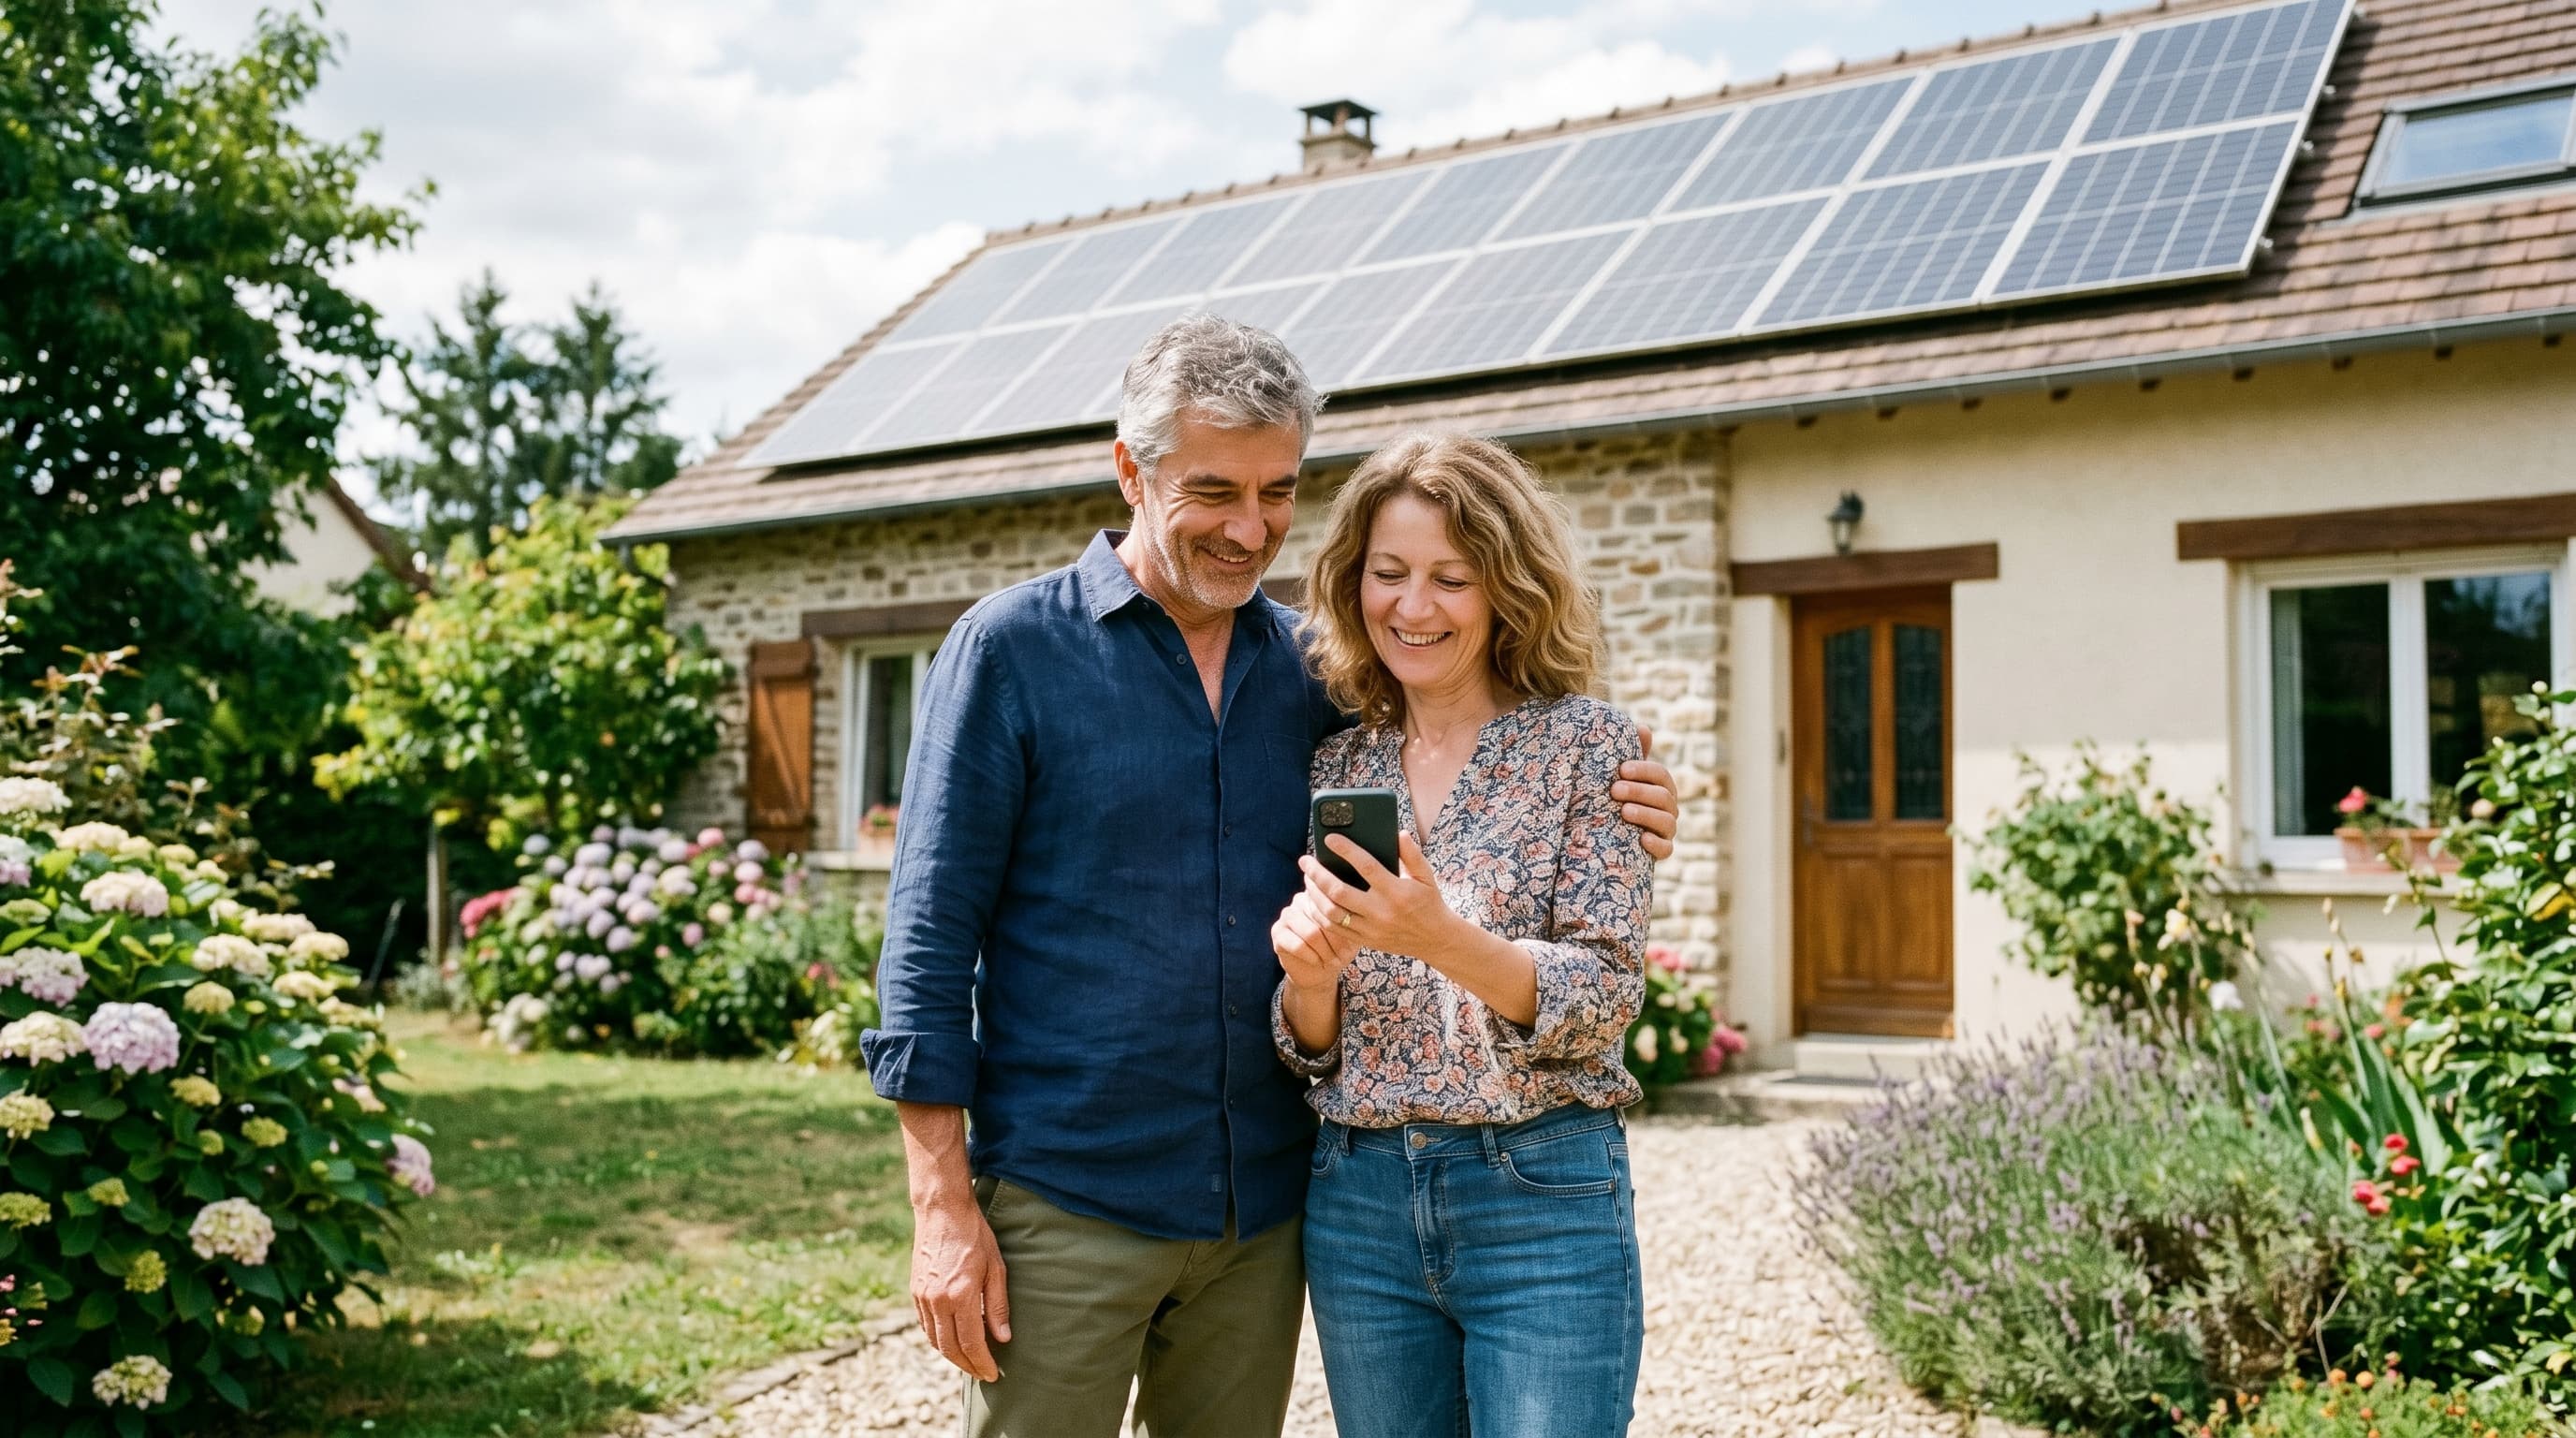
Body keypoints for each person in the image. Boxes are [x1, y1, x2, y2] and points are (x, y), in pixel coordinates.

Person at [860, 315, 1678, 1438]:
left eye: (1278, 492)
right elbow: (926, 945)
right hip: (1069, 1197)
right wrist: (941, 1208)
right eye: (1214, 492)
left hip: (1264, 1218)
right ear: (1130, 471)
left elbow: (1473, 752)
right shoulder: (1009, 652)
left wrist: (1634, 793)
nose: (1250, 530)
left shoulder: (1315, 678)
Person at [1271, 432, 1653, 1438]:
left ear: (1506, 589)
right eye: (1388, 573)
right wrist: (1307, 982)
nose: (1414, 606)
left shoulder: (1587, 746)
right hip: (1357, 1205)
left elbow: (1606, 995)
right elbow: (1317, 1044)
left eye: (1451, 578)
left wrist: (1438, 935)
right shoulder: (1336, 766)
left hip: (1539, 1195)